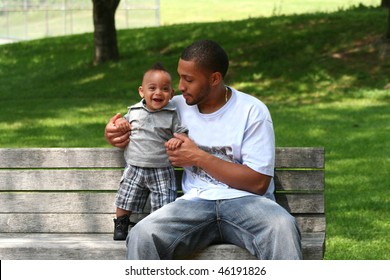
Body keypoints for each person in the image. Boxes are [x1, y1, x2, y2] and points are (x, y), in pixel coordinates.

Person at [105, 40, 302, 259]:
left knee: (282, 226)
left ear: (215, 78)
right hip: (194, 203)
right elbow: (138, 118)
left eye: (189, 79)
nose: (180, 86)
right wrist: (114, 131)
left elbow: (258, 183)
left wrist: (199, 157)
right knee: (143, 235)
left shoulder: (251, 111)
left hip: (247, 203)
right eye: (180, 77)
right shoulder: (174, 107)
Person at [112, 62, 188, 240]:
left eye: (164, 89)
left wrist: (177, 140)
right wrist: (120, 123)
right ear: (141, 91)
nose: (158, 93)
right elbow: (118, 125)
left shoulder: (171, 114)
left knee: (164, 201)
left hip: (161, 168)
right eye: (152, 88)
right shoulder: (134, 111)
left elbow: (181, 133)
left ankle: (160, 228)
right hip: (135, 166)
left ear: (171, 94)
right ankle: (121, 223)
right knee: (126, 196)